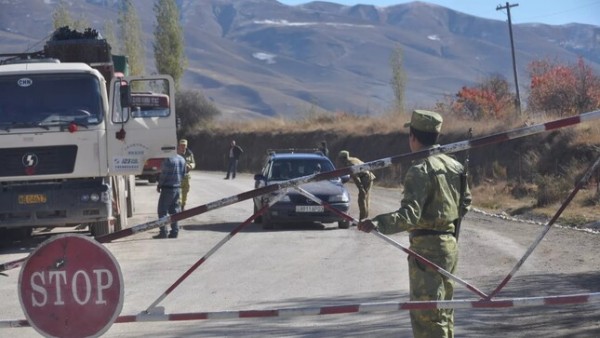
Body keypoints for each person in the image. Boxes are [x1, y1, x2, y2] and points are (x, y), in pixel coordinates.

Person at [357, 110, 472, 338]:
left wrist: (377, 223)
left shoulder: (419, 170)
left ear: (413, 137)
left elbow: (409, 215)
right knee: (443, 312)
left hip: (427, 251)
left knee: (427, 316)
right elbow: (465, 203)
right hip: (449, 245)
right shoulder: (454, 165)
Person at [153, 152, 186, 239]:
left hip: (167, 188)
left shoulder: (168, 160)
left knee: (162, 211)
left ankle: (163, 232)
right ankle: (175, 232)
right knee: (174, 211)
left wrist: (159, 185)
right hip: (177, 188)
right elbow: (184, 174)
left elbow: (164, 175)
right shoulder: (182, 159)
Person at [337, 150, 376, 220]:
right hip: (369, 176)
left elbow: (356, 178)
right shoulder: (353, 159)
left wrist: (361, 189)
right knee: (365, 198)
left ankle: (362, 219)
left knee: (361, 198)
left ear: (343, 158)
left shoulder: (350, 164)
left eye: (340, 159)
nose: (339, 160)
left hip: (365, 178)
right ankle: (365, 217)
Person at [178, 139, 196, 210]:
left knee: (185, 191)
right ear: (179, 146)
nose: (183, 147)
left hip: (186, 176)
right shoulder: (176, 154)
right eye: (181, 145)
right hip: (178, 176)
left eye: (184, 145)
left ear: (186, 146)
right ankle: (178, 206)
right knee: (178, 192)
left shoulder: (190, 154)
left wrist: (190, 166)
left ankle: (183, 205)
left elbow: (193, 163)